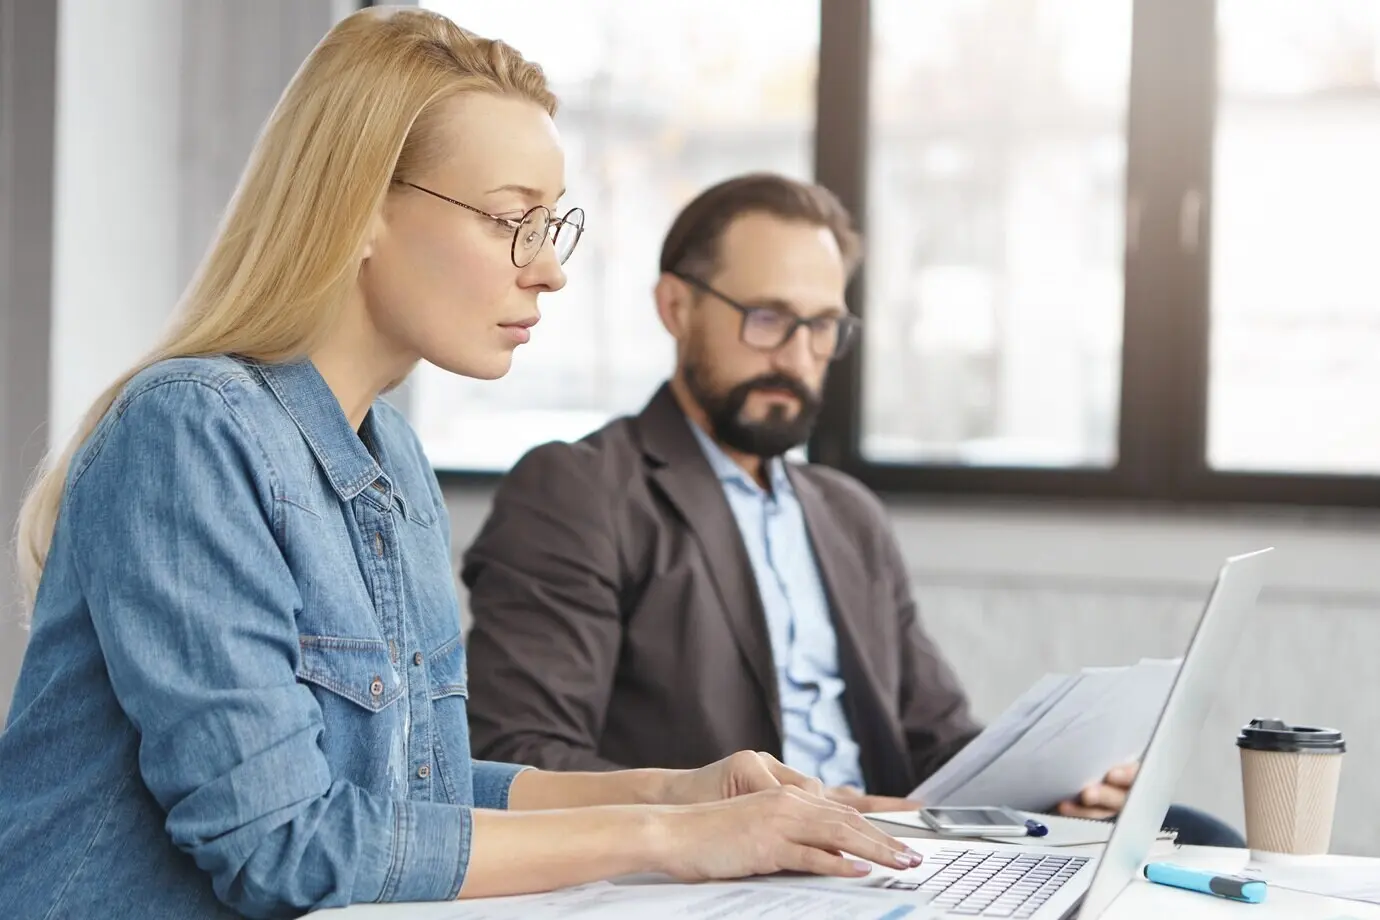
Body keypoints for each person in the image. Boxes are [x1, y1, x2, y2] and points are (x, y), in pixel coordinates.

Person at [0, 12, 922, 919]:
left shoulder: (392, 456)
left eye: (552, 226)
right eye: (511, 221)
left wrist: (678, 795)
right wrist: (662, 839)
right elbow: (281, 844)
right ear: (358, 210)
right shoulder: (191, 431)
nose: (548, 271)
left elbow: (418, 792)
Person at [461, 172, 1245, 848]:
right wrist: (737, 811)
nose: (798, 358)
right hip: (738, 863)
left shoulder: (846, 515)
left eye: (823, 327)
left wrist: (1056, 785)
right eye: (767, 319)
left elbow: (936, 742)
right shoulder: (581, 492)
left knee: (1202, 840)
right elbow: (520, 756)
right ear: (675, 307)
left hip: (889, 848)